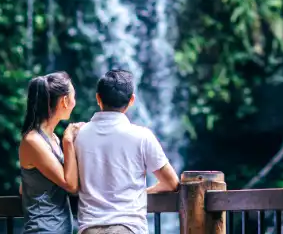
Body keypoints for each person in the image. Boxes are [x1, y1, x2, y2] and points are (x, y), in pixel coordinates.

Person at [75, 69, 180, 234]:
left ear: (98, 98)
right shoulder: (142, 136)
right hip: (129, 228)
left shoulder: (78, 135)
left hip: (89, 228)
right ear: (132, 100)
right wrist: (141, 194)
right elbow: (172, 183)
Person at [19, 72, 84, 234]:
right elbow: (71, 185)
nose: (75, 102)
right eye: (73, 97)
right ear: (64, 101)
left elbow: (25, 186)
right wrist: (68, 140)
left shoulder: (51, 138)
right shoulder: (33, 140)